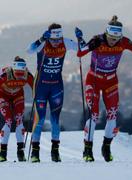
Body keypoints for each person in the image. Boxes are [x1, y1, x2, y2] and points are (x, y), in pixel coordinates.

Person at [75, 15, 132, 162]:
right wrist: (90, 45)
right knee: (94, 115)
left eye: (116, 39)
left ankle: (106, 148)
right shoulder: (98, 39)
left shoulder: (124, 42)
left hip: (111, 81)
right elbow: (80, 53)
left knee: (112, 114)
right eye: (111, 38)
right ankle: (88, 150)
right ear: (106, 33)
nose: (113, 41)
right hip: (94, 80)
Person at [27, 23, 78, 163]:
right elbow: (29, 50)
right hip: (41, 87)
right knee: (40, 119)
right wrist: (41, 39)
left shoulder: (65, 42)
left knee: (55, 119)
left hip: (56, 86)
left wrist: (80, 39)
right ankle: (35, 152)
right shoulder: (43, 43)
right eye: (53, 40)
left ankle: (55, 152)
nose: (56, 43)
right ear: (49, 37)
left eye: (58, 39)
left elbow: (82, 49)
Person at [0, 56, 34, 162]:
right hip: (3, 96)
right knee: (8, 120)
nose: (19, 77)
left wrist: (37, 97)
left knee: (19, 120)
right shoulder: (4, 75)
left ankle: (20, 152)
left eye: (21, 75)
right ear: (13, 70)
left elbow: (35, 87)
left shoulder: (27, 75)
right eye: (16, 74)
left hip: (17, 96)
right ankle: (2, 153)